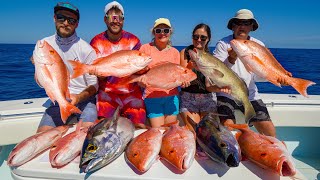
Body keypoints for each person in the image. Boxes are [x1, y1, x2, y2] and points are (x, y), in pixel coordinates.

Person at [213, 9, 292, 137]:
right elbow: (217, 72)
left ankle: (273, 153)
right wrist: (231, 59)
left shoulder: (258, 44)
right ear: (233, 26)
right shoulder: (223, 44)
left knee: (269, 130)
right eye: (238, 23)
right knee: (227, 127)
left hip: (250, 95)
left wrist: (279, 78)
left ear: (251, 27)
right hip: (227, 94)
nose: (242, 26)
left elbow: (258, 76)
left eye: (246, 23)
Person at [33, 2, 98, 133]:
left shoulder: (86, 50)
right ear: (54, 18)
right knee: (41, 136)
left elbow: (94, 86)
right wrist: (39, 69)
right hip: (58, 100)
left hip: (85, 101)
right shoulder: (44, 44)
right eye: (61, 17)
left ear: (77, 24)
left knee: (87, 136)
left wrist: (77, 98)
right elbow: (41, 83)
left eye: (71, 20)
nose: (66, 23)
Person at [90, 1, 147, 129]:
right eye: (112, 18)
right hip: (107, 94)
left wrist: (143, 70)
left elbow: (138, 68)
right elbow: (98, 73)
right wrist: (100, 74)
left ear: (123, 20)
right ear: (105, 19)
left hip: (132, 93)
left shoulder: (134, 40)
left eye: (119, 18)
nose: (116, 21)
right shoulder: (96, 41)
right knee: (104, 129)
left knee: (139, 128)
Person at [180, 23, 231, 132]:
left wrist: (220, 88)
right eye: (195, 36)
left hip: (207, 98)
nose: (199, 40)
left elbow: (209, 87)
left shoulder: (211, 58)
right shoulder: (185, 52)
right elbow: (183, 75)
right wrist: (191, 64)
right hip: (188, 98)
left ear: (208, 39)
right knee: (193, 131)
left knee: (207, 131)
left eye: (203, 37)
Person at [139, 18, 186, 128]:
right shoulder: (145, 49)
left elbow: (176, 76)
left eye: (166, 30)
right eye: (158, 30)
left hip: (172, 97)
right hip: (152, 96)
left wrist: (183, 82)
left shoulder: (175, 52)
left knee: (170, 131)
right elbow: (139, 73)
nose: (162, 33)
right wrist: (140, 81)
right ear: (153, 32)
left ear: (170, 32)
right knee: (158, 131)